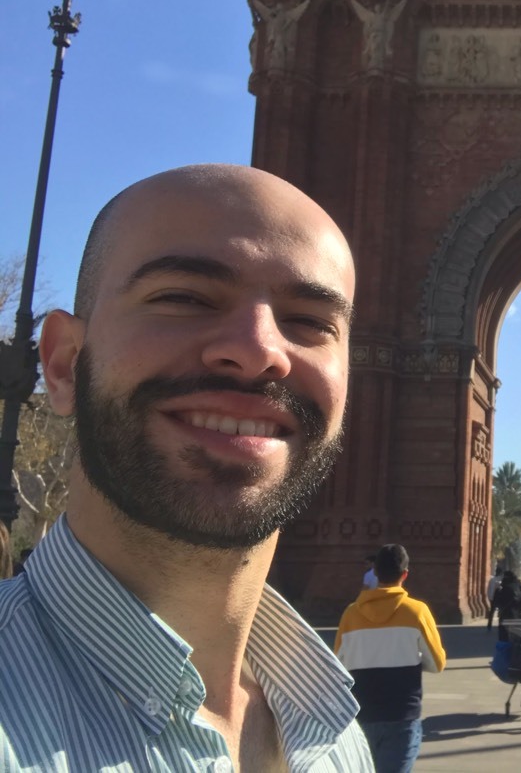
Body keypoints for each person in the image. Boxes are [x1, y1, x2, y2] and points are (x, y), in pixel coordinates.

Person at [0, 164, 371, 768]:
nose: (258, 351)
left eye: (308, 321)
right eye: (184, 298)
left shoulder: (335, 737)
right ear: (64, 364)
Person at [335, 543, 447, 773]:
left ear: (374, 572)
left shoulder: (351, 614)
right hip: (401, 714)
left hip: (361, 715)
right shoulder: (417, 612)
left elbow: (338, 664)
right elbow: (437, 664)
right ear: (405, 574)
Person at [487, 570, 521, 640]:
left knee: (503, 640)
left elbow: (495, 604)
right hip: (517, 618)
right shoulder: (520, 588)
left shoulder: (501, 589)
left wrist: (490, 621)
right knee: (517, 640)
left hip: (505, 618)